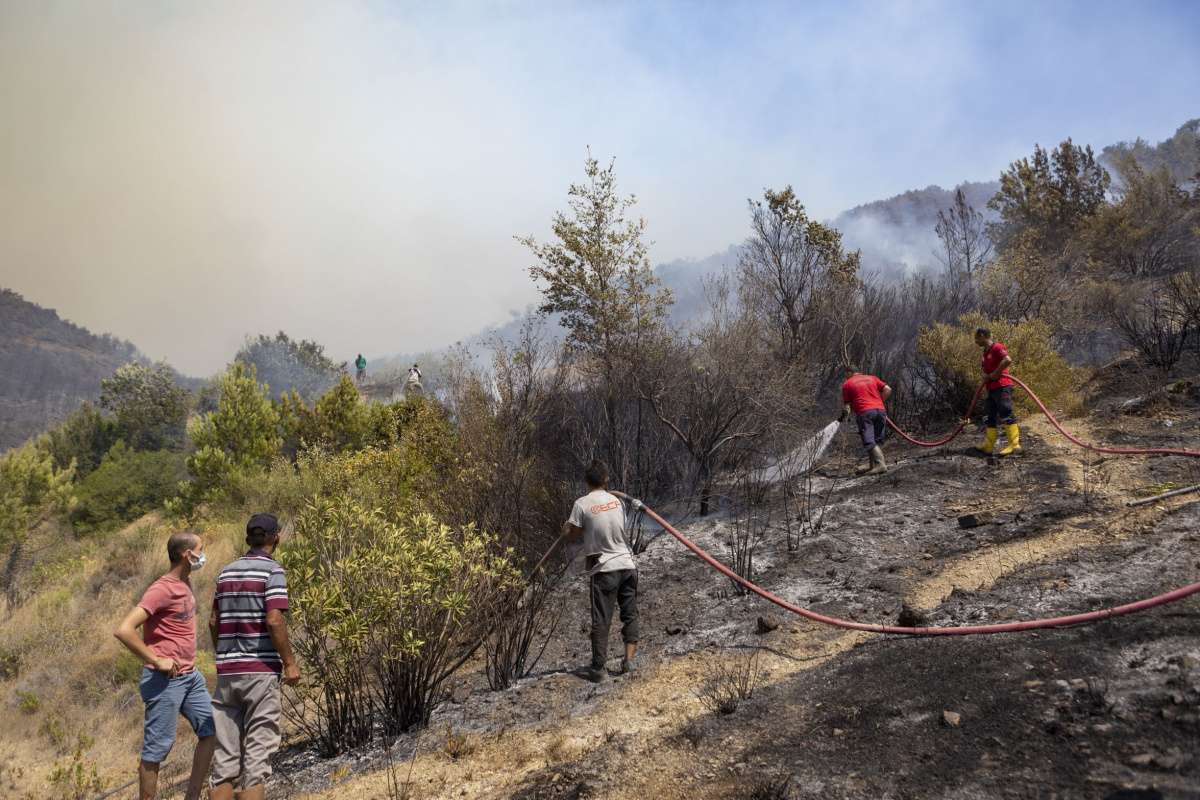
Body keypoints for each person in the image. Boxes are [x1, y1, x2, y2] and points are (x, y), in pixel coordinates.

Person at [113, 531, 216, 800]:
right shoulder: (161, 589)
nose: (203, 555)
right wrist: (156, 659)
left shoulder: (186, 582)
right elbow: (124, 630)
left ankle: (192, 796)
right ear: (187, 554)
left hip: (190, 676)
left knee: (212, 730)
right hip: (164, 681)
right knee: (156, 751)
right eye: (200, 550)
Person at [208, 513, 300, 800]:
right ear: (276, 538)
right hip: (260, 671)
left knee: (223, 764)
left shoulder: (225, 572)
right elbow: (274, 620)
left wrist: (224, 654)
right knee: (256, 763)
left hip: (227, 673)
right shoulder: (273, 572)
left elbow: (213, 621)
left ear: (248, 538)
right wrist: (290, 663)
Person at [562, 460, 638, 683]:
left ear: (586, 481)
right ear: (606, 479)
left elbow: (573, 535)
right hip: (627, 564)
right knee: (630, 614)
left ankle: (598, 668)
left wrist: (566, 530)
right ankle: (629, 661)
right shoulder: (616, 501)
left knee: (601, 619)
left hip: (604, 568)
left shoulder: (582, 504)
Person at [974, 327, 1021, 456]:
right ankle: (989, 445)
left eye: (977, 338)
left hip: (1002, 386)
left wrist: (996, 373)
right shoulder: (985, 352)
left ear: (983, 336)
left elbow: (1007, 360)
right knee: (990, 416)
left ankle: (1014, 445)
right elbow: (986, 369)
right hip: (991, 388)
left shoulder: (997, 347)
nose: (975, 341)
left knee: (1006, 412)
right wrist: (986, 376)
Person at [839, 364, 892, 475]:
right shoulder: (872, 378)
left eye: (846, 374)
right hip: (880, 411)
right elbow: (887, 389)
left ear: (849, 373)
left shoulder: (847, 384)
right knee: (876, 440)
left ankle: (881, 465)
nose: (845, 377)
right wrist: (879, 402)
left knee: (868, 439)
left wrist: (844, 416)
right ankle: (873, 466)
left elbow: (847, 406)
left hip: (865, 413)